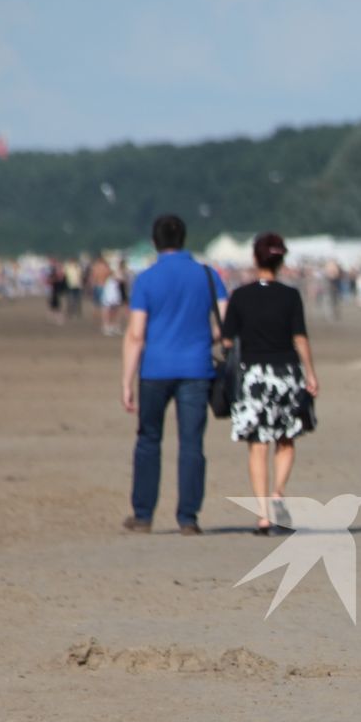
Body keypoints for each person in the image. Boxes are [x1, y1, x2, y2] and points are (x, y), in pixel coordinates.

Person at [120, 214, 228, 536]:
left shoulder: (147, 279)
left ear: (155, 242)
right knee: (192, 443)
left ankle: (143, 515)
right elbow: (226, 323)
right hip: (197, 368)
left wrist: (126, 381)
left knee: (149, 439)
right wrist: (203, 340)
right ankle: (188, 517)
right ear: (183, 239)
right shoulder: (208, 275)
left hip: (155, 369)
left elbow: (136, 334)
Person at [222, 233, 317, 536]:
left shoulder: (240, 295)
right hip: (286, 372)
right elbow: (300, 338)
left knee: (258, 444)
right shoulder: (290, 296)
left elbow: (226, 339)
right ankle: (278, 492)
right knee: (286, 438)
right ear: (281, 260)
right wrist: (311, 374)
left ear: (255, 258)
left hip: (254, 376)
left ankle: (263, 515)